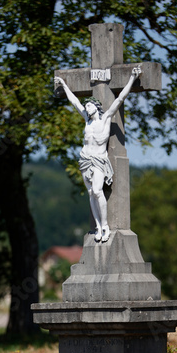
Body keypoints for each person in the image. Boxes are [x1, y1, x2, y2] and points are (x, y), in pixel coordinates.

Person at [55, 66, 141, 242]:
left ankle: (105, 225)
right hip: (85, 160)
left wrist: (132, 79)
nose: (86, 107)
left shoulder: (106, 118)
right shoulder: (86, 121)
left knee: (97, 190)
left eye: (89, 105)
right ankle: (98, 227)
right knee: (90, 194)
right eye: (86, 105)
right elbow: (74, 102)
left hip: (99, 161)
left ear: (96, 107)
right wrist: (64, 86)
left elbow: (120, 99)